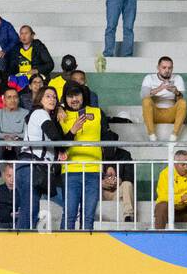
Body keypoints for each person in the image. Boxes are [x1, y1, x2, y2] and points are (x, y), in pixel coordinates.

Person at [56, 82, 103, 230]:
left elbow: (108, 137)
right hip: (71, 171)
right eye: (70, 96)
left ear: (83, 96)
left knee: (88, 217)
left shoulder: (97, 112)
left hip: (94, 170)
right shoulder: (60, 116)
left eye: (77, 95)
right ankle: (65, 249)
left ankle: (86, 251)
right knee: (69, 215)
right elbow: (59, 144)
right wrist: (73, 130)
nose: (74, 99)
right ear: (65, 98)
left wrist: (108, 166)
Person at [16, 86, 62, 230]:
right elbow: (55, 136)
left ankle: (22, 240)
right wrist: (62, 148)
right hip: (31, 165)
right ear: (40, 99)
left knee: (29, 209)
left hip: (33, 166)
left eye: (54, 97)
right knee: (29, 210)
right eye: (48, 96)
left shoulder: (41, 115)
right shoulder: (40, 113)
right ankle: (21, 243)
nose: (52, 99)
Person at [155, 150, 187, 229]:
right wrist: (181, 198)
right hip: (171, 213)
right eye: (183, 165)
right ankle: (158, 237)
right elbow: (163, 196)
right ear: (175, 164)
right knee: (162, 206)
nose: (186, 167)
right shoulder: (165, 173)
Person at [140, 56, 187, 142]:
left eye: (169, 68)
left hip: (171, 113)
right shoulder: (149, 78)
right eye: (164, 67)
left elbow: (181, 100)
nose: (167, 70)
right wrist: (159, 88)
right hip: (154, 113)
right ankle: (152, 136)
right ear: (158, 68)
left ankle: (174, 136)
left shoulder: (177, 78)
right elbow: (143, 95)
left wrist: (176, 92)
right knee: (146, 101)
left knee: (183, 102)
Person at [0, 85, 28, 158]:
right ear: (4, 100)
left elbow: (27, 133)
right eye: (9, 97)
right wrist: (6, 138)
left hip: (19, 141)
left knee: (20, 144)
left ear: (19, 99)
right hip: (2, 141)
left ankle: (21, 169)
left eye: (15, 97)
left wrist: (14, 137)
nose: (12, 100)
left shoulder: (26, 113)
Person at [99, 162, 135, 226]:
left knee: (127, 184)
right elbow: (87, 177)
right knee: (90, 185)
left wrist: (119, 180)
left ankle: (128, 216)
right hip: (101, 192)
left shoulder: (124, 155)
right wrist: (100, 182)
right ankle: (88, 216)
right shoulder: (97, 155)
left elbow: (130, 176)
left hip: (117, 192)